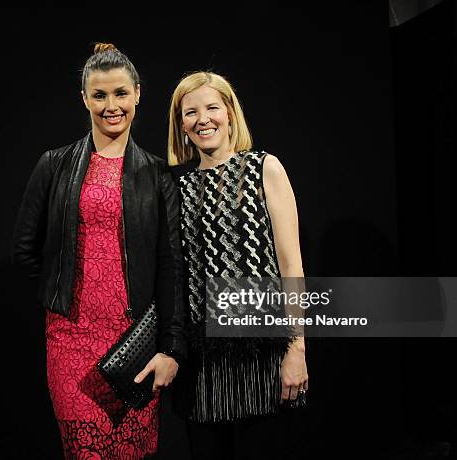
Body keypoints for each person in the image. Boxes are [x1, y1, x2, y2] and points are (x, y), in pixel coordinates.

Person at [12, 43, 186, 459]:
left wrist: (170, 348)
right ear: (85, 98)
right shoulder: (53, 165)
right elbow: (25, 250)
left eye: (121, 93)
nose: (112, 105)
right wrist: (65, 293)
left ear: (138, 93)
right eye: (100, 95)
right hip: (70, 341)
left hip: (134, 344)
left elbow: (172, 266)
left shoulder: (158, 174)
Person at [167, 71, 309, 459]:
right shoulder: (176, 186)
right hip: (202, 363)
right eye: (190, 112)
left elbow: (291, 264)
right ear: (181, 124)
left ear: (230, 113)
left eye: (212, 107)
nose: (203, 119)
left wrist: (297, 349)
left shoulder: (265, 168)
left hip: (263, 354)